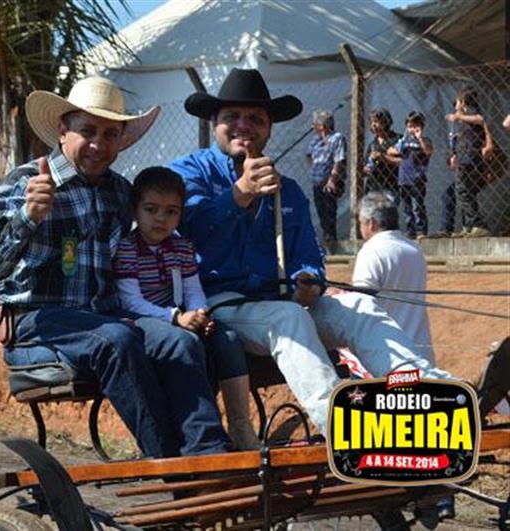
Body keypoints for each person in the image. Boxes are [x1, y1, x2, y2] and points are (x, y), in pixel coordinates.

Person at [170, 68, 454, 434]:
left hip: (280, 303)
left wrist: (309, 280)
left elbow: (308, 254)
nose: (244, 125)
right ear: (214, 122)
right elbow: (187, 227)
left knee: (361, 307)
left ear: (269, 127)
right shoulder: (188, 172)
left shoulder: (288, 190)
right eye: (232, 117)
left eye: (255, 118)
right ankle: (344, 427)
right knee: (288, 317)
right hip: (219, 306)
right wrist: (239, 194)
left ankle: (428, 399)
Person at [0, 76, 230, 458]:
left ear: (121, 139)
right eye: (88, 131)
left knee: (181, 341)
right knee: (116, 340)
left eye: (110, 134)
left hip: (105, 318)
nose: (98, 144)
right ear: (63, 130)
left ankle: (208, 453)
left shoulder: (120, 192)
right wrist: (27, 217)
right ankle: (168, 463)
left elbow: (149, 247)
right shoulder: (27, 182)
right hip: (36, 325)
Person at [113, 166, 259, 450]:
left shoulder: (181, 247)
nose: (160, 219)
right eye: (151, 209)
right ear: (135, 210)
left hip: (180, 316)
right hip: (140, 320)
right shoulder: (128, 249)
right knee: (187, 342)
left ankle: (240, 424)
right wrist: (176, 317)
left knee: (227, 339)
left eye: (171, 212)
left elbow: (193, 290)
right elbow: (131, 301)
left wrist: (200, 313)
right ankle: (197, 434)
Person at [354, 192, 434, 363]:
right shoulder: (414, 249)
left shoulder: (372, 250)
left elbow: (362, 303)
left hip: (389, 357)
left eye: (361, 223)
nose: (360, 229)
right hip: (421, 354)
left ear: (372, 223)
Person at [444, 87, 491, 238]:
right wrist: (454, 154)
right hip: (464, 158)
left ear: (463, 102)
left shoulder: (471, 113)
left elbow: (480, 119)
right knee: (466, 192)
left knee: (462, 191)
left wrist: (459, 116)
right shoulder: (463, 120)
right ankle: (470, 226)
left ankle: (478, 224)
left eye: (458, 101)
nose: (456, 105)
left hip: (469, 158)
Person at [388, 111, 432, 239]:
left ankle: (421, 230)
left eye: (415, 126)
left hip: (417, 179)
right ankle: (410, 230)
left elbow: (428, 151)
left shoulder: (424, 141)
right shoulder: (404, 141)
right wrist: (398, 147)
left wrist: (420, 138)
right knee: (407, 208)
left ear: (421, 126)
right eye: (409, 126)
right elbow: (390, 151)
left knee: (417, 206)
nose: (412, 129)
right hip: (403, 179)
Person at [306, 109, 346, 247]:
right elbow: (309, 155)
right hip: (317, 181)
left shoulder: (337, 138)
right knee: (321, 211)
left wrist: (332, 180)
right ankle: (326, 238)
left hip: (330, 181)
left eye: (315, 123)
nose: (312, 126)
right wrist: (315, 168)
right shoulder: (315, 140)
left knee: (329, 211)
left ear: (322, 125)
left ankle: (331, 240)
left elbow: (339, 160)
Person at [363, 108, 400, 196]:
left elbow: (404, 162)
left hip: (391, 187)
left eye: (376, 121)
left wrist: (383, 157)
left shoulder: (397, 140)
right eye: (372, 122)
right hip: (372, 188)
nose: (373, 125)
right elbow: (365, 165)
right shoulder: (372, 144)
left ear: (385, 122)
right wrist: (366, 169)